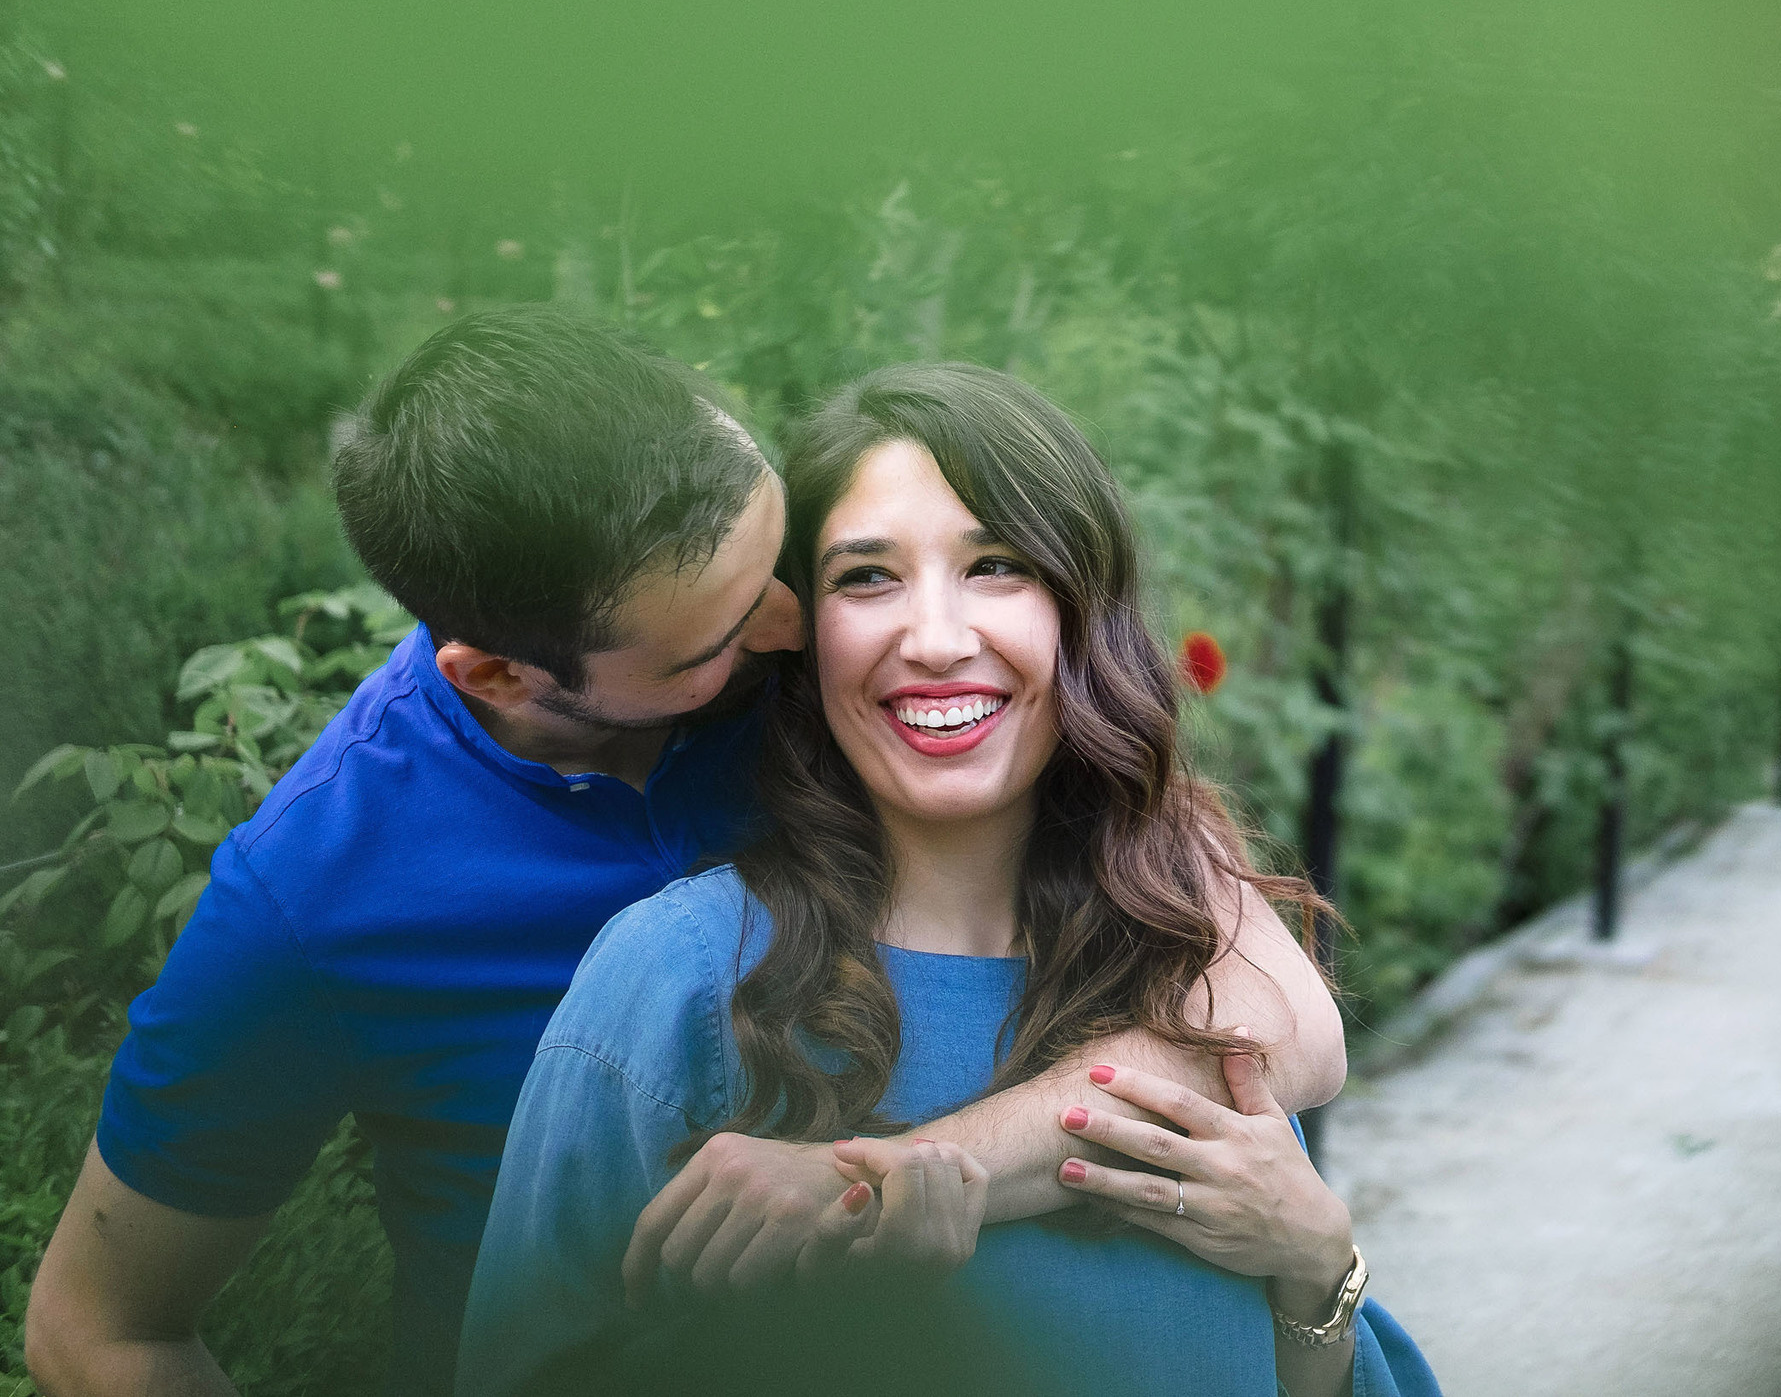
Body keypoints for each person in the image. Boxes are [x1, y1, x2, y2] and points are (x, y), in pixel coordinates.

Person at [24, 310, 1343, 1397]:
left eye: (790, 561)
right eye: (715, 635)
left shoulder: (858, 675)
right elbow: (102, 1328)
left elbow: (1268, 1010)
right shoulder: (320, 891)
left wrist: (890, 1179)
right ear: (504, 671)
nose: (790, 626)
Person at [459, 363, 1436, 1397]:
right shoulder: (680, 982)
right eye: (866, 577)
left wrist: (1317, 1271)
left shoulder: (1194, 974)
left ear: (1079, 608)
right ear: (798, 629)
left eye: (997, 565)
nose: (934, 640)